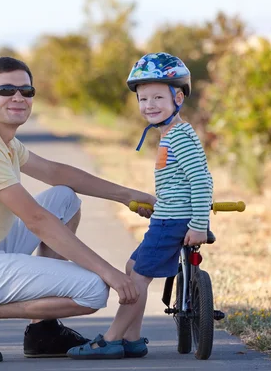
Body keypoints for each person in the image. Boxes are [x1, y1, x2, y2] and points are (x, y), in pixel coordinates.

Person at [0, 56, 156, 363]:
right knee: (95, 290)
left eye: (26, 91)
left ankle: (43, 331)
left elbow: (57, 174)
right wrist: (109, 272)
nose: (18, 97)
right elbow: (36, 220)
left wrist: (128, 195)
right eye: (6, 90)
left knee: (64, 198)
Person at [67, 52, 214, 360]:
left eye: (158, 97)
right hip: (166, 217)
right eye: (143, 99)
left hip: (172, 222)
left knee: (135, 280)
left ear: (178, 97)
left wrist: (199, 224)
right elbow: (178, 184)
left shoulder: (179, 138)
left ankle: (111, 338)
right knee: (134, 267)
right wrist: (157, 205)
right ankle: (132, 339)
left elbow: (202, 182)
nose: (149, 105)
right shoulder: (169, 135)